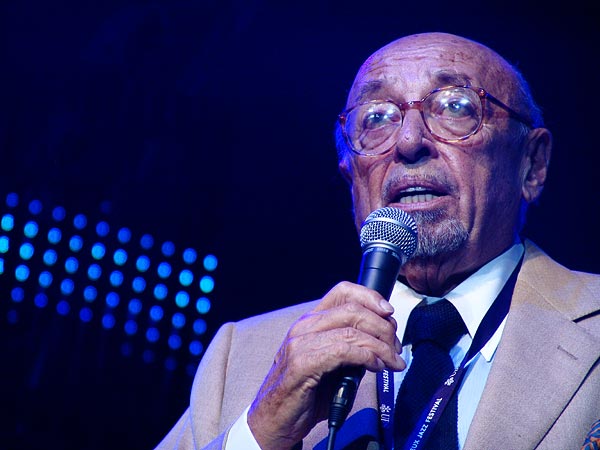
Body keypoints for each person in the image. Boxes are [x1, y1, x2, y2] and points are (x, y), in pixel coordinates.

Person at [154, 32, 600, 450]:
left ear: (532, 164)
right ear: (351, 176)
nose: (408, 141)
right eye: (377, 117)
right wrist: (261, 432)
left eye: (455, 106)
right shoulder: (242, 356)